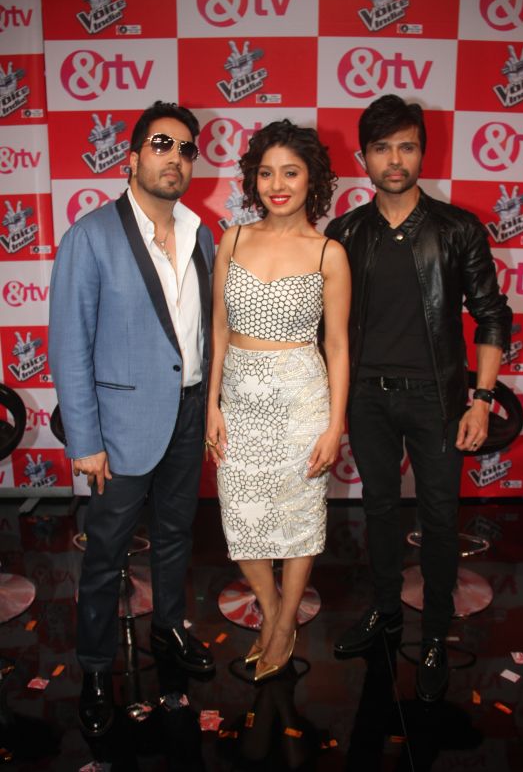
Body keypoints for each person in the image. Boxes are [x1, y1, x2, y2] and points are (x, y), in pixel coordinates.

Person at [326, 95, 512, 702]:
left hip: (438, 400)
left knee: (437, 517)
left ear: (423, 153)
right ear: (364, 158)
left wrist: (481, 400)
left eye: (406, 146)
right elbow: (327, 326)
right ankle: (385, 612)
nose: (395, 159)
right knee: (379, 508)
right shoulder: (345, 233)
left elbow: (491, 316)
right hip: (367, 397)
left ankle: (433, 635)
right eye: (382, 148)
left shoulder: (457, 229)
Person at [49, 101, 215, 736]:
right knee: (106, 554)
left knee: (175, 537)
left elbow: (200, 334)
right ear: (133, 157)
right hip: (119, 428)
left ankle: (168, 631)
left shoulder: (202, 234)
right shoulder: (90, 235)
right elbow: (69, 345)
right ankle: (95, 668)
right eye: (162, 144)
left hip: (188, 412)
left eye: (186, 148)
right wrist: (85, 441)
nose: (176, 158)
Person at [206, 119, 351, 681]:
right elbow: (219, 329)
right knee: (240, 517)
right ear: (253, 180)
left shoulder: (328, 253)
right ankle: (272, 612)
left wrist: (333, 426)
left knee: (298, 521)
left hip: (301, 403)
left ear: (312, 178)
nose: (277, 185)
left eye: (290, 172)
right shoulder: (233, 239)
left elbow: (337, 346)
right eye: (266, 173)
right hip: (239, 401)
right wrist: (212, 404)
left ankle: (285, 623)